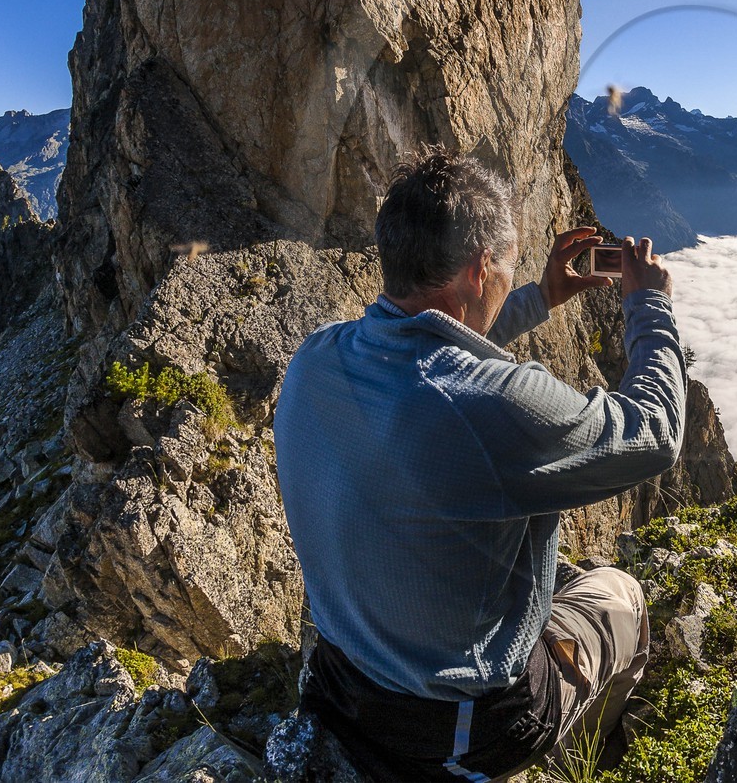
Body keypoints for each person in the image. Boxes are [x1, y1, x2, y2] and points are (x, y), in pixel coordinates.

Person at [273, 145, 686, 782]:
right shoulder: (501, 405)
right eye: (504, 269)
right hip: (464, 729)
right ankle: (583, 756)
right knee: (619, 593)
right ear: (480, 267)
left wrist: (542, 295)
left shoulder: (315, 359)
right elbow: (654, 434)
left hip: (341, 685)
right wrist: (649, 307)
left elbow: (433, 355)